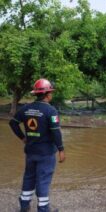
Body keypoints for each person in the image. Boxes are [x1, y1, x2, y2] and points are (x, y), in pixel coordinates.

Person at [9, 79, 65, 212]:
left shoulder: (26, 108)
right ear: (47, 94)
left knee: (29, 177)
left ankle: (24, 206)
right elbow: (56, 132)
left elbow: (13, 123)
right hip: (45, 154)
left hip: (30, 152)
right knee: (43, 180)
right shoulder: (51, 111)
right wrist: (61, 149)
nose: (51, 95)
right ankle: (43, 209)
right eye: (50, 92)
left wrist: (23, 138)